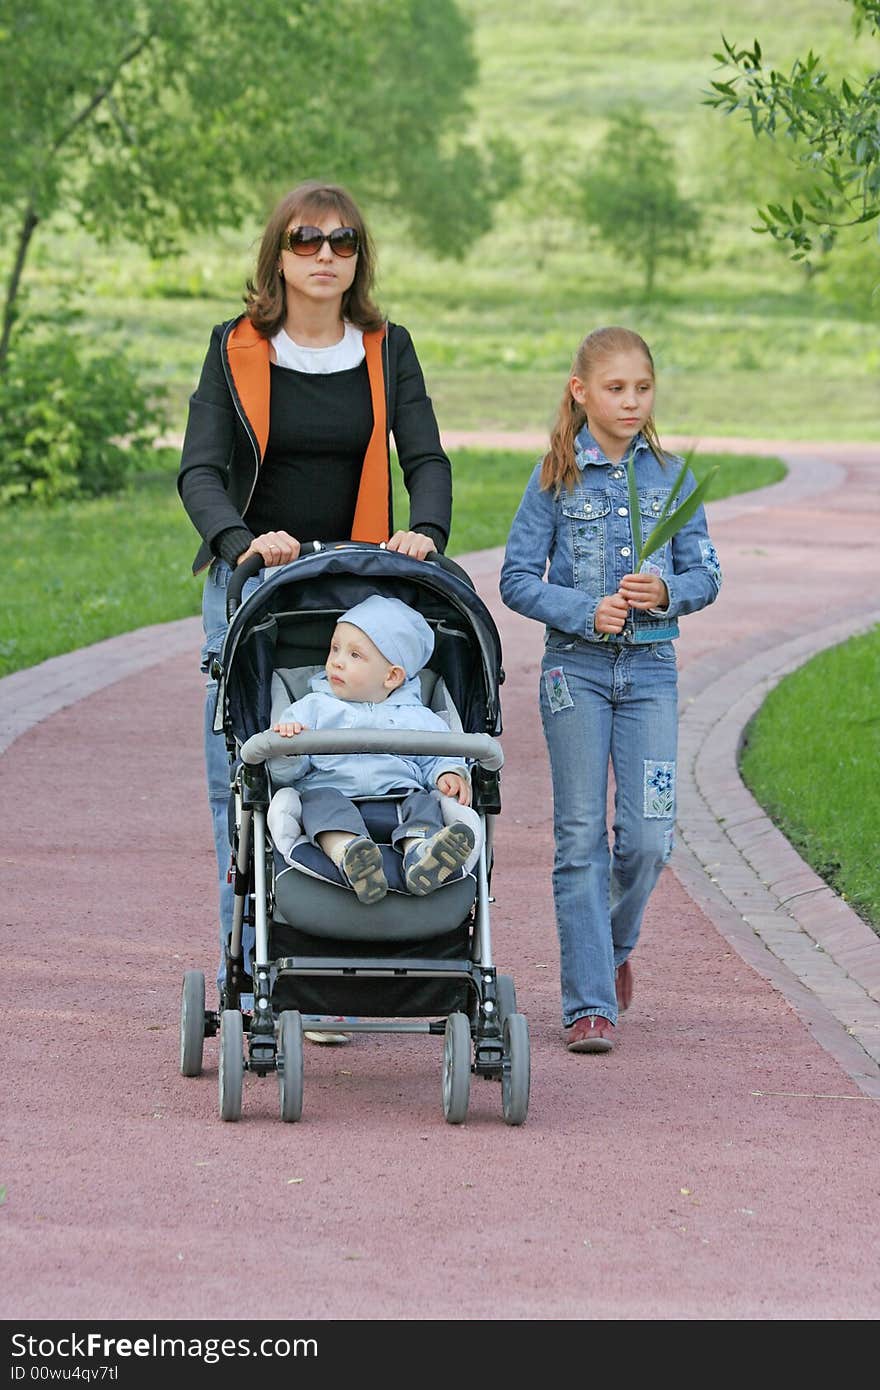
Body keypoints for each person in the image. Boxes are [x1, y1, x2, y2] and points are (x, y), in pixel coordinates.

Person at [177, 179, 453, 1023]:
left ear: (358, 257)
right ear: (280, 255)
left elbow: (427, 458)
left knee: (363, 760)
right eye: (307, 241)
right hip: (260, 584)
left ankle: (351, 956)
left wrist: (425, 532)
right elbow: (198, 470)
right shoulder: (235, 349)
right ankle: (256, 962)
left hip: (357, 588)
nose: (326, 255)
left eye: (343, 241)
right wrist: (241, 543)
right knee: (252, 770)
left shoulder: (385, 346)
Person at [499, 326, 722, 1054]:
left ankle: (614, 944)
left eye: (643, 388)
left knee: (650, 837)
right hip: (576, 676)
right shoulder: (553, 478)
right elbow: (516, 580)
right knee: (579, 837)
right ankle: (589, 1002)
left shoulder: (673, 477)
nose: (632, 401)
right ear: (581, 392)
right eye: (616, 388)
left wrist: (665, 592)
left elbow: (707, 575)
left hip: (652, 676)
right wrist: (580, 608)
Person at [268, 594, 475, 905]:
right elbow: (284, 773)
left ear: (392, 676)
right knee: (318, 808)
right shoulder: (310, 709)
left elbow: (441, 753)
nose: (337, 660)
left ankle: (422, 855)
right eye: (335, 649)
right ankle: (351, 855)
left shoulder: (417, 716)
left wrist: (449, 771)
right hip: (332, 792)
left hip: (400, 796)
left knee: (425, 805)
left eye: (354, 655)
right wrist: (289, 747)